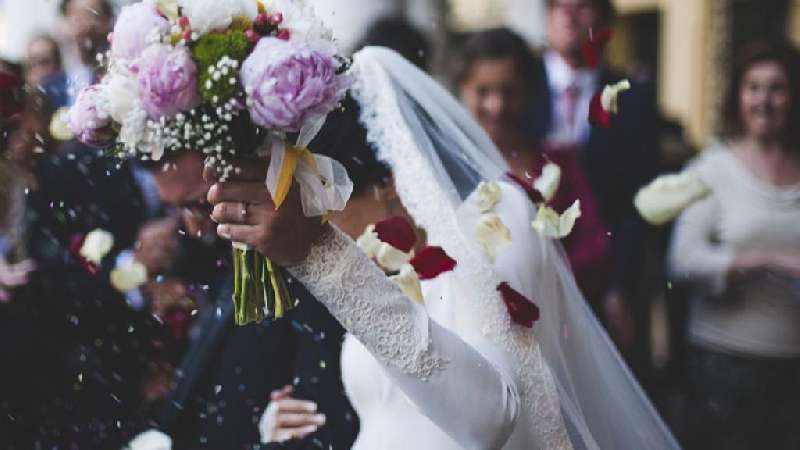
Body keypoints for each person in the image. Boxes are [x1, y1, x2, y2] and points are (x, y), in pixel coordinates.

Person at [211, 47, 679, 450]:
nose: (334, 234)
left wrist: (323, 256)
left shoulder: (499, 221)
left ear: (389, 184)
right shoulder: (395, 271)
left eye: (330, 213)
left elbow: (489, 416)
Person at [136, 150, 359, 450]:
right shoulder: (219, 256)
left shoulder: (310, 263)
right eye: (178, 211)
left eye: (202, 204)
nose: (193, 227)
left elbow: (323, 416)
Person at [669, 40, 800, 450]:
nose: (764, 100)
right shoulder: (712, 170)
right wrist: (771, 260)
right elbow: (683, 260)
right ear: (737, 97)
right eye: (753, 87)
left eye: (776, 88)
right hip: (723, 367)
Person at [530, 0, 661, 372]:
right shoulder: (517, 91)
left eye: (583, 5)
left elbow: (640, 201)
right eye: (558, 5)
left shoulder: (633, 98)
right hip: (532, 273)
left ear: (604, 21)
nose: (569, 13)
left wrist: (620, 285)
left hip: (602, 281)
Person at [455, 27, 611, 311]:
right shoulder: (448, 165)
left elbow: (593, 245)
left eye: (509, 92)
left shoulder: (559, 162)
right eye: (483, 91)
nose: (496, 105)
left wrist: (540, 281)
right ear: (463, 89)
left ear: (528, 92)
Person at [41, 0, 113, 108]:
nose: (85, 26)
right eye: (77, 17)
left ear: (107, 22)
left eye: (92, 16)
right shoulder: (50, 88)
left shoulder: (116, 79)